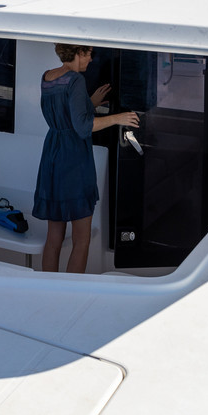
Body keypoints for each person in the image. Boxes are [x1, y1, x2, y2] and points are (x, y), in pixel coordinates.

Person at [36, 44, 137, 274]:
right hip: (73, 159)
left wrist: (89, 103)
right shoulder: (76, 80)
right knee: (82, 239)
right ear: (78, 53)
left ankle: (47, 289)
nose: (91, 59)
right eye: (89, 53)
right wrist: (118, 118)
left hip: (52, 155)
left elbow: (64, 115)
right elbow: (82, 127)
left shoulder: (47, 77)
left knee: (54, 237)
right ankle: (72, 292)